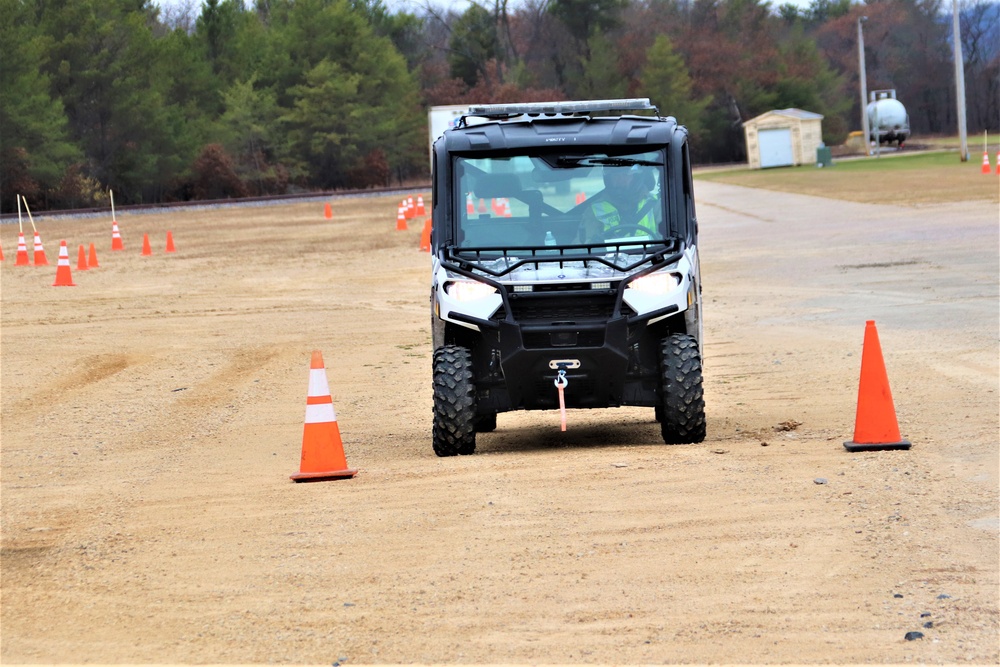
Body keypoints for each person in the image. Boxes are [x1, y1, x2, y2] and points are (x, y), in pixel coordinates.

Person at [578, 164, 659, 243]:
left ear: (636, 178)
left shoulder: (656, 205)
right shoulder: (595, 210)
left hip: (652, 255)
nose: (620, 180)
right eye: (615, 175)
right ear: (608, 179)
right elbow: (583, 247)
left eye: (625, 174)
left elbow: (667, 245)